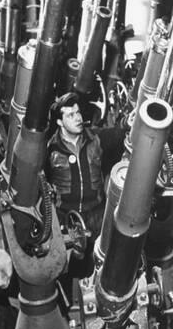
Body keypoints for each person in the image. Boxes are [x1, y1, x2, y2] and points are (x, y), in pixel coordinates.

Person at [46, 92, 126, 279]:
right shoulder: (50, 148)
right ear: (59, 122)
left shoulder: (96, 139)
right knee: (73, 266)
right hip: (68, 219)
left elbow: (120, 134)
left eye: (78, 113)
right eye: (71, 115)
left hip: (98, 215)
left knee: (104, 261)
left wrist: (128, 123)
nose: (78, 118)